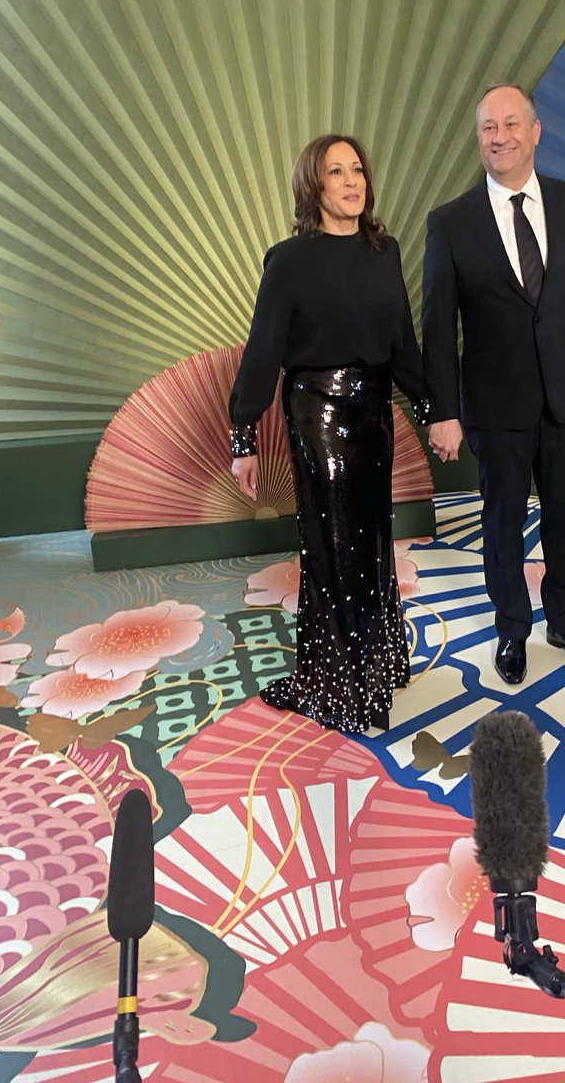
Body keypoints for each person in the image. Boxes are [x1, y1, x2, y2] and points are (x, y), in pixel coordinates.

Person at [422, 83, 565, 686]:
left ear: (535, 132)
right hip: (494, 406)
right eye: (488, 127)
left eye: (512, 124)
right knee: (501, 523)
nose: (500, 136)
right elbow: (438, 327)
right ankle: (511, 629)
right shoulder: (450, 223)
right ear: (478, 138)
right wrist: (442, 410)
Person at [229, 134, 430, 732]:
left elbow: (402, 341)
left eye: (358, 169)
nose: (351, 181)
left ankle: (373, 661)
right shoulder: (288, 260)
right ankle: (343, 684)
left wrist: (428, 408)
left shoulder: (385, 250)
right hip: (317, 412)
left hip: (374, 412)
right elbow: (264, 350)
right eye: (336, 171)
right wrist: (244, 435)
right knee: (336, 545)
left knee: (371, 541)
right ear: (312, 186)